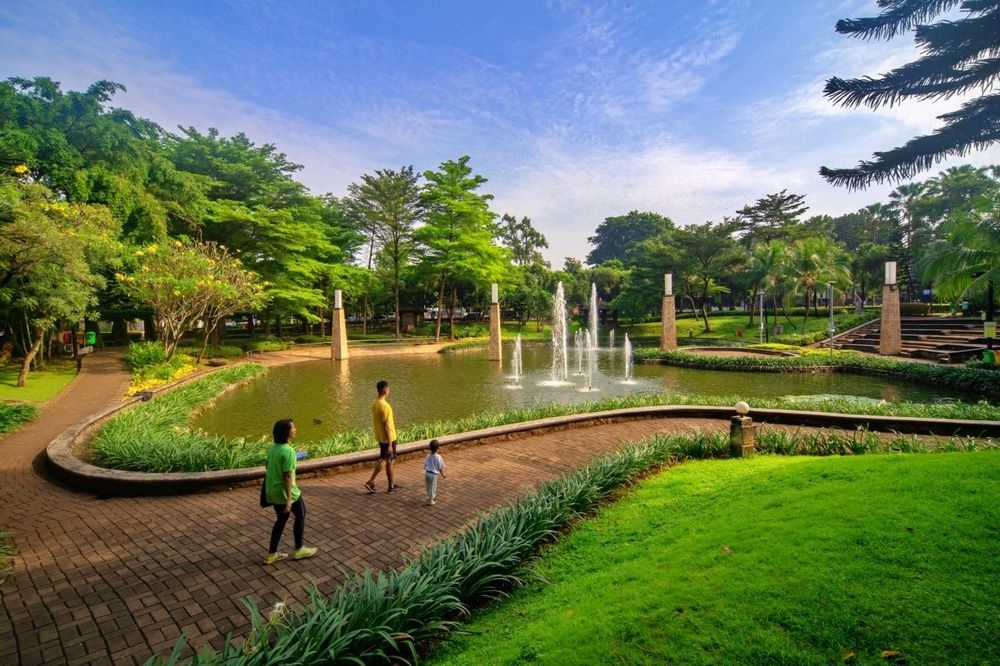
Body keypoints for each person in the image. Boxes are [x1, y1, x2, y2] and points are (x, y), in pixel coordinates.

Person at [263, 419, 318, 565]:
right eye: (293, 428)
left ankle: (272, 554)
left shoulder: (273, 448)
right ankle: (299, 549)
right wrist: (288, 500)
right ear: (286, 433)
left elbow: (267, 466)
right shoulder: (288, 451)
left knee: (281, 520)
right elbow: (287, 476)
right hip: (288, 493)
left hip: (272, 491)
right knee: (301, 513)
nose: (296, 429)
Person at [366, 379, 403, 493]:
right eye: (389, 389)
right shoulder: (385, 406)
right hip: (388, 438)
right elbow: (387, 426)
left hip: (381, 437)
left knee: (386, 459)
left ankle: (388, 485)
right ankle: (377, 483)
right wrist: (390, 444)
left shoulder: (374, 403)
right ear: (386, 390)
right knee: (387, 460)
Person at [423, 439, 446, 505]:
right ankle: (431, 500)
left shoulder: (428, 456)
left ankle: (429, 497)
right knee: (433, 487)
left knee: (428, 486)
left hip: (427, 473)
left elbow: (425, 465)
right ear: (438, 448)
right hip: (433, 475)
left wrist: (424, 469)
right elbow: (440, 467)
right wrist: (443, 474)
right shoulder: (438, 457)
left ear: (430, 448)